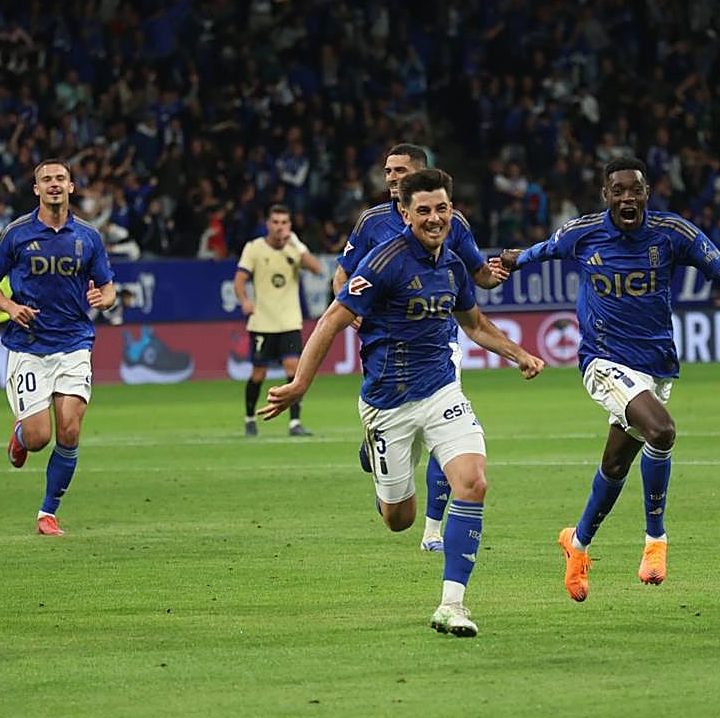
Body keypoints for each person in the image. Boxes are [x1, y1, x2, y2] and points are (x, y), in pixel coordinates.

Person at [260, 169, 545, 637]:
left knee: (472, 482)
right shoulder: (385, 261)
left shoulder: (453, 263)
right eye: (424, 211)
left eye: (442, 209)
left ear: (452, 210)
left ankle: (452, 604)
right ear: (407, 214)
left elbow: (473, 324)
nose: (435, 219)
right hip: (387, 404)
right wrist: (298, 385)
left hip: (440, 391)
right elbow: (332, 320)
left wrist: (518, 354)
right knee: (399, 519)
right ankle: (375, 457)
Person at [494, 156, 720, 603]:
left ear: (647, 193)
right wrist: (511, 260)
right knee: (662, 430)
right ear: (606, 195)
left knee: (616, 464)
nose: (628, 197)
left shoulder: (672, 234)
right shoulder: (583, 232)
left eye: (635, 190)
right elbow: (543, 250)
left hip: (657, 364)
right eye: (618, 190)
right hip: (602, 361)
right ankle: (655, 541)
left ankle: (578, 543)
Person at [333, 143, 509, 552]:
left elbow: (476, 272)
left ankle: (433, 529)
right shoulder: (371, 223)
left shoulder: (453, 222)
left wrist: (492, 276)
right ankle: (383, 464)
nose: (391, 177)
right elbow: (342, 274)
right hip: (387, 352)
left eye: (400, 171)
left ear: (420, 175)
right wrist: (349, 307)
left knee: (445, 438)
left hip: (439, 346)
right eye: (388, 171)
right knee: (399, 487)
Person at [0, 158, 116, 537]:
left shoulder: (88, 236)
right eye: (46, 180)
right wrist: (9, 306)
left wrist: (105, 298)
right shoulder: (16, 233)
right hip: (29, 346)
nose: (54, 184)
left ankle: (47, 513)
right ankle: (20, 436)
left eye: (61, 179)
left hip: (74, 343)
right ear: (36, 189)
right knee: (39, 437)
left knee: (69, 431)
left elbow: (108, 286)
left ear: (72, 187)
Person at [234, 204, 323, 436]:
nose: (279, 227)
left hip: (289, 321)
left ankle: (294, 423)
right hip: (262, 322)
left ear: (290, 226)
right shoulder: (254, 248)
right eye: (275, 222)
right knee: (258, 374)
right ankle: (250, 417)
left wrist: (297, 244)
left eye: (284, 222)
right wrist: (244, 300)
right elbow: (240, 279)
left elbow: (316, 268)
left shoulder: (294, 250)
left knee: (293, 371)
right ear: (268, 225)